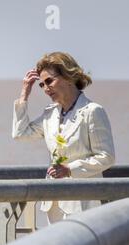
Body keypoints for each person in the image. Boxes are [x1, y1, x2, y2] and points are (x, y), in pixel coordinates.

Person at [12, 52, 115, 224]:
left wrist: (69, 169)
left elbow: (106, 157)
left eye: (49, 81)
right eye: (41, 85)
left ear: (68, 76)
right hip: (53, 202)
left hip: (84, 204)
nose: (45, 88)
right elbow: (20, 134)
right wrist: (24, 94)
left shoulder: (92, 111)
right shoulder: (50, 114)